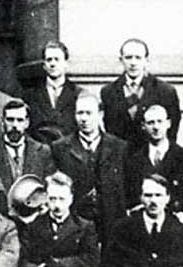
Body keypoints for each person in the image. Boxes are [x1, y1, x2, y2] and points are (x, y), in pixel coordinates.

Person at [51, 91, 128, 243]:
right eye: (80, 113)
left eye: (88, 113)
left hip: (110, 223)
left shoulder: (119, 147)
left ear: (100, 114)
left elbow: (125, 188)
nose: (84, 119)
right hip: (76, 224)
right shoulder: (60, 148)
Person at [123, 105, 183, 217]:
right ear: (143, 126)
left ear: (168, 123)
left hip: (179, 225)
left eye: (160, 121)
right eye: (151, 123)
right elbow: (128, 198)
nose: (156, 127)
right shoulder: (133, 161)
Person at [0, 99, 55, 214]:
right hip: (1, 219)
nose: (15, 125)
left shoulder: (43, 152)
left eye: (20, 120)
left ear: (27, 123)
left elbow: (50, 187)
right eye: (10, 120)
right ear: (2, 121)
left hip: (34, 219)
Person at [100, 38, 181, 146]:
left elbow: (172, 131)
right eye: (128, 58)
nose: (133, 63)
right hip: (120, 158)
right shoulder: (109, 92)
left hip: (150, 158)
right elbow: (109, 130)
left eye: (138, 58)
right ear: (121, 60)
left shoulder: (165, 91)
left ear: (146, 60)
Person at [21, 41, 81, 144]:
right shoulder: (30, 95)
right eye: (49, 60)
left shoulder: (77, 94)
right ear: (44, 65)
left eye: (57, 59)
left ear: (66, 63)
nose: (52, 64)